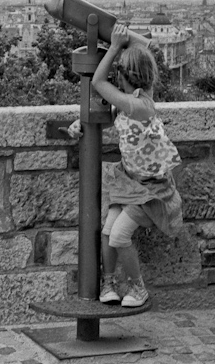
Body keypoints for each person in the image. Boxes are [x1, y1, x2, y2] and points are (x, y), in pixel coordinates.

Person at [68, 23, 182, 308]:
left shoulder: (139, 106)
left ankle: (138, 288)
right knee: (108, 230)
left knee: (119, 235)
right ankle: (108, 284)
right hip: (131, 183)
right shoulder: (130, 103)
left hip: (149, 191)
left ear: (126, 77)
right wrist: (79, 124)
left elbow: (98, 82)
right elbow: (110, 120)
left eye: (119, 72)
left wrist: (116, 46)